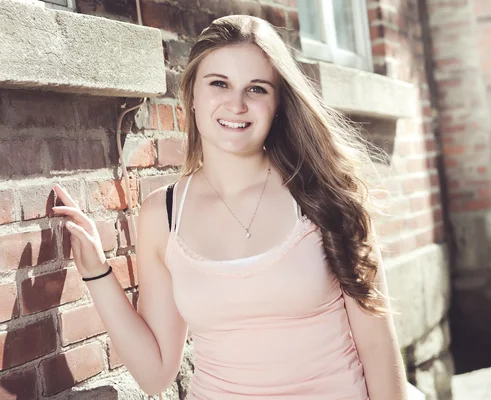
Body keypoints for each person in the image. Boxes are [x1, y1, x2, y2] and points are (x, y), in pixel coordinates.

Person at [53, 15, 408, 400]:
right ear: (191, 94)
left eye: (256, 89)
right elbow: (155, 375)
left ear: (278, 104)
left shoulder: (325, 194)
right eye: (219, 83)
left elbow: (377, 348)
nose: (236, 104)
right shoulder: (163, 214)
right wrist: (96, 273)